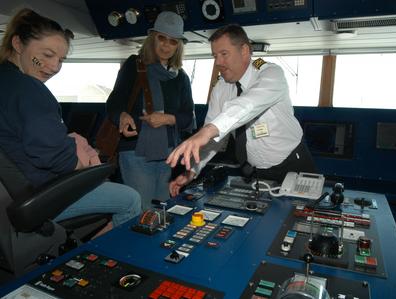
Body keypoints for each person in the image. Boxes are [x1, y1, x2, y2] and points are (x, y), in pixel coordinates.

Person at [0, 8, 141, 232]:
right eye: (47, 55)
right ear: (18, 45)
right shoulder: (29, 90)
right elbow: (56, 158)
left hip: (15, 195)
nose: (55, 66)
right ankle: (99, 262)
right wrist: (87, 168)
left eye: (60, 59)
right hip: (41, 194)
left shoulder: (7, 82)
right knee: (130, 198)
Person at [167, 24, 316, 196]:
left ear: (244, 50)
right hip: (255, 173)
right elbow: (214, 139)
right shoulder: (220, 88)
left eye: (224, 54)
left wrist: (208, 130)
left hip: (293, 165)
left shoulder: (270, 73)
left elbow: (249, 103)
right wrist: (192, 171)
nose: (218, 62)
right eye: (215, 56)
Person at [106, 11, 194, 210]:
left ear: (178, 46)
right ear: (152, 38)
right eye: (162, 38)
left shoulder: (181, 78)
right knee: (143, 211)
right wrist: (122, 115)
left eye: (172, 41)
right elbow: (114, 102)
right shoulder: (133, 65)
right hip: (135, 151)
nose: (166, 45)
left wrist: (167, 119)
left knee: (162, 209)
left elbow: (188, 116)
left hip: (169, 153)